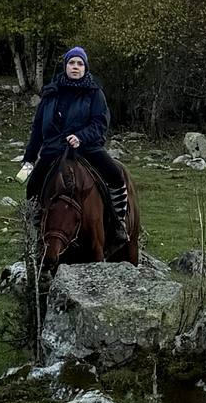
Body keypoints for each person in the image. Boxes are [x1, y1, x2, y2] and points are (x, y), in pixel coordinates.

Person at [24, 45, 130, 254]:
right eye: (71, 63)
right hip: (53, 150)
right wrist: (29, 157)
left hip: (87, 149)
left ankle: (118, 224)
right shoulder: (50, 93)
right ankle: (36, 229)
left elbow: (100, 123)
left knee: (115, 175)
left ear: (85, 68)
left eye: (80, 63)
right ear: (65, 66)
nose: (75, 67)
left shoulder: (95, 93)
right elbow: (37, 128)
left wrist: (81, 137)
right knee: (32, 185)